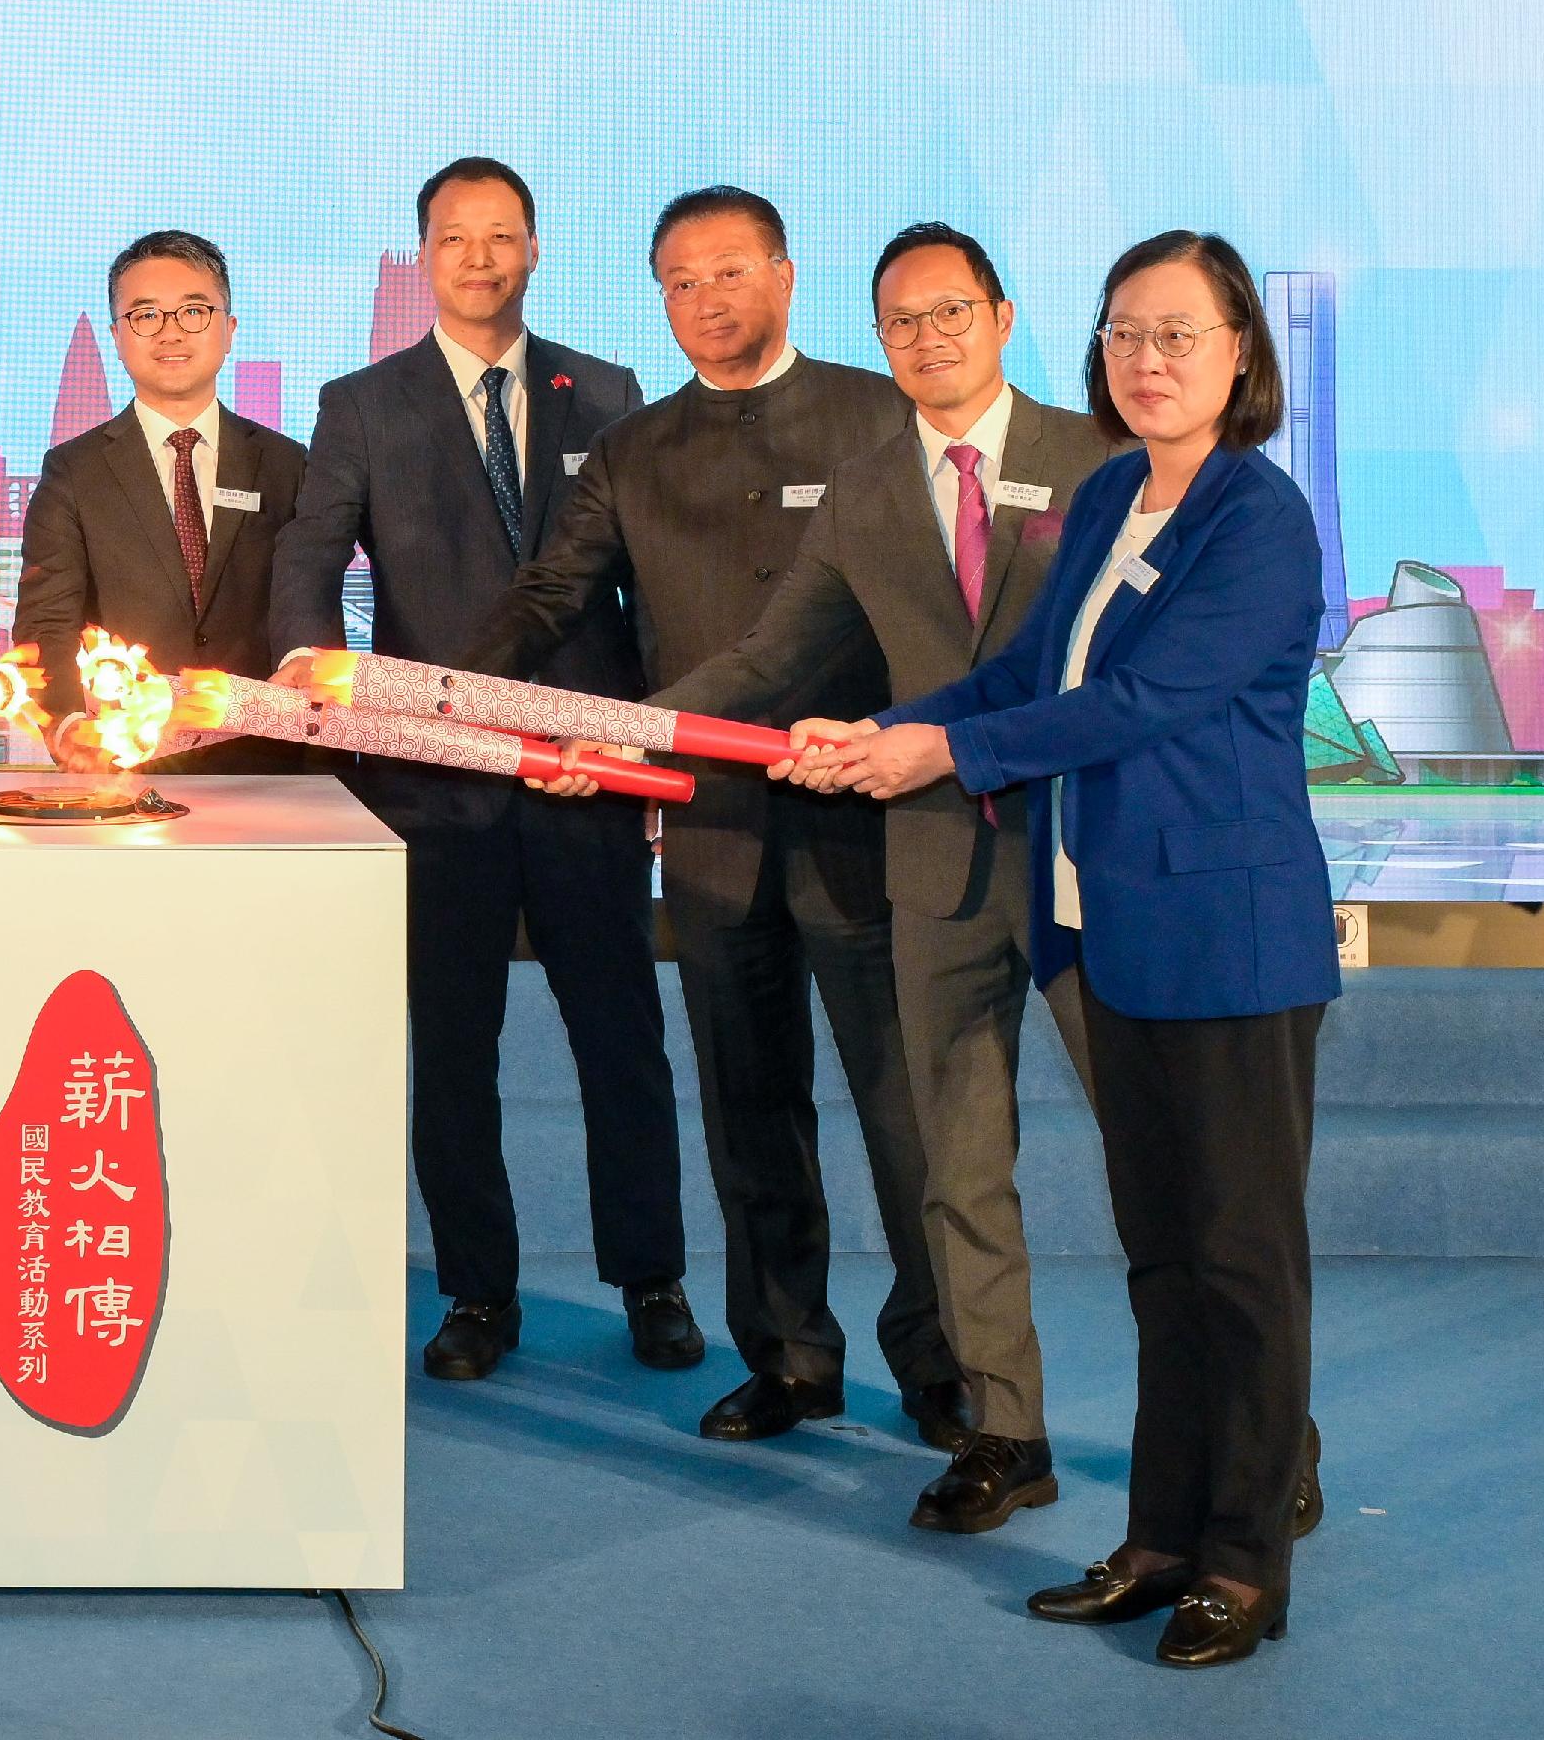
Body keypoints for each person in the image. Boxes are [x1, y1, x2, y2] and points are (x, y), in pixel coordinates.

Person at [791, 230, 1337, 1669]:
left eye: (1179, 334)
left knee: (1242, 1259)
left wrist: (946, 746)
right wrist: (896, 732)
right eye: (1126, 333)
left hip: (1228, 932)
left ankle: (1246, 1561)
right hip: (1104, 925)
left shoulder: (1257, 518)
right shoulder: (1104, 497)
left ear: (1239, 354)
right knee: (1162, 1257)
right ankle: (1161, 1537)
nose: (1148, 360)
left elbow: (1145, 699)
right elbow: (1034, 676)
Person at [473, 186, 960, 1451]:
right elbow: (551, 593)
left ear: (787, 277)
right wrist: (448, 693)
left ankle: (948, 1369)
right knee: (750, 1114)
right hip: (710, 835)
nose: (705, 303)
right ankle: (790, 1356)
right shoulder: (635, 447)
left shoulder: (878, 413)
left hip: (867, 822)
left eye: (728, 274)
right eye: (678, 283)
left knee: (907, 1116)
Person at [654, 221, 1111, 1532]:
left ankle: (1253, 1427)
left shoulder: (1101, 460)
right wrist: (629, 733)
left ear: (1006, 313)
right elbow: (764, 661)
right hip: (938, 870)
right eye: (903, 319)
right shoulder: (864, 491)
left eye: (952, 309)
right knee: (959, 1165)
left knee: (1162, 1163)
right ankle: (1003, 1427)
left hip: (1091, 860)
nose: (930, 336)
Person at [268, 158, 703, 1384]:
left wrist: (648, 731)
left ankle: (652, 1278)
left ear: (533, 250)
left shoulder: (602, 390)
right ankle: (475, 1293)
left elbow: (652, 577)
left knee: (619, 1036)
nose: (478, 258)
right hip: (436, 783)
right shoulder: (363, 403)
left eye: (500, 237)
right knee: (451, 1050)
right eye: (454, 239)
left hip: (586, 773)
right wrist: (309, 661)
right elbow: (309, 552)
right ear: (422, 256)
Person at [14, 231, 308, 774]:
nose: (170, 332)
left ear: (229, 329)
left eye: (193, 312)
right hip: (124, 768)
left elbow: (310, 603)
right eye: (145, 316)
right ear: (117, 337)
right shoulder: (73, 471)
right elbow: (46, 624)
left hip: (271, 765)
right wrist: (68, 723)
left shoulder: (288, 464)